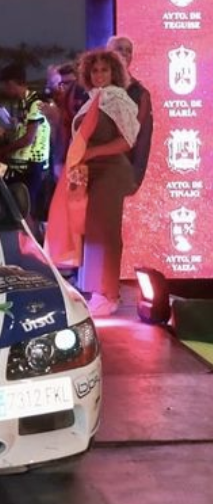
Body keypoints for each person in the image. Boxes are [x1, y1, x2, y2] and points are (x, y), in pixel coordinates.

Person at [47, 48, 140, 317]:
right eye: (95, 70)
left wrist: (92, 152)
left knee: (104, 233)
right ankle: (97, 291)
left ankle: (108, 295)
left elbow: (126, 141)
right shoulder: (93, 99)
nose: (99, 75)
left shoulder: (117, 99)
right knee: (90, 231)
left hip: (111, 171)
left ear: (114, 72)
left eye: (104, 70)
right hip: (90, 171)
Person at [0, 63, 51, 220]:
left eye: (5, 85)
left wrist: (1, 151)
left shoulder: (35, 102)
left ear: (11, 83)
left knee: (25, 211)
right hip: (21, 163)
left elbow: (28, 138)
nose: (5, 90)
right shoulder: (23, 102)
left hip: (32, 164)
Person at [107, 35, 154, 192]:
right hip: (93, 168)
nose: (124, 53)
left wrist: (136, 177)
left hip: (122, 168)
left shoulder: (140, 94)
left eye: (128, 50)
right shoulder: (93, 88)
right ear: (108, 52)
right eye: (119, 49)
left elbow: (143, 138)